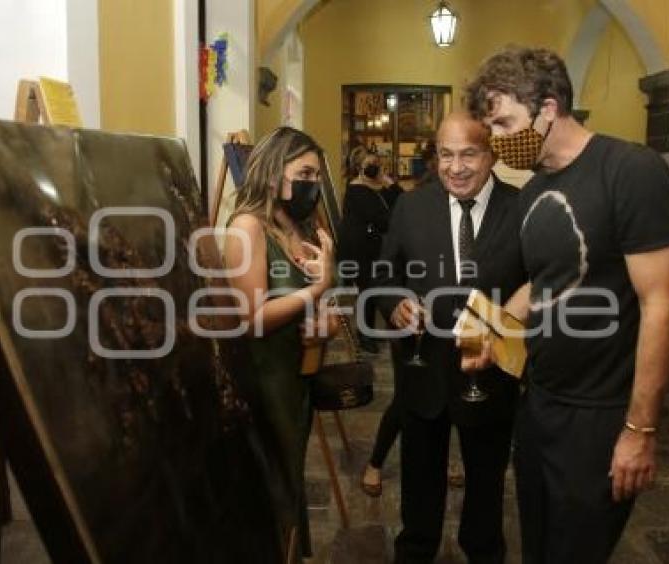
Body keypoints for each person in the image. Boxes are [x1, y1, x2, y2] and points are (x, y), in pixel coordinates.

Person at [463, 46, 669, 563]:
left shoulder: (630, 170)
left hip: (600, 417)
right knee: (538, 549)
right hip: (539, 405)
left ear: (547, 107)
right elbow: (543, 285)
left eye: (503, 123)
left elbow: (661, 307)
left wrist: (640, 431)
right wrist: (494, 338)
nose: (497, 140)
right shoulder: (534, 190)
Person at [374, 112, 525, 563]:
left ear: (491, 153)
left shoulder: (521, 207)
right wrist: (394, 302)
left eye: (468, 154)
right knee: (419, 482)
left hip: (490, 370)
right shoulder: (412, 205)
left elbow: (541, 281)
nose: (455, 167)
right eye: (445, 154)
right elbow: (384, 272)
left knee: (486, 482)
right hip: (423, 368)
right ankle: (416, 551)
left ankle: (482, 552)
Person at [223, 126, 338, 560]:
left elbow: (320, 297)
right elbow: (252, 318)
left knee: (289, 479)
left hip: (296, 377)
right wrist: (315, 290)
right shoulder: (247, 228)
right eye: (305, 173)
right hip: (263, 379)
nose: (313, 184)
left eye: (317, 175)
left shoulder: (297, 223)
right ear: (273, 172)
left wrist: (323, 315)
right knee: (269, 487)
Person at [339, 146, 403, 353]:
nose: (375, 169)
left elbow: (402, 203)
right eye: (370, 166)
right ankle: (364, 335)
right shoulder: (357, 189)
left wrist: (389, 183)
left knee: (372, 289)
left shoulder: (375, 188)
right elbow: (383, 220)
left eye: (376, 165)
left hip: (371, 246)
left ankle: (369, 332)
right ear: (359, 168)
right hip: (358, 249)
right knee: (368, 290)